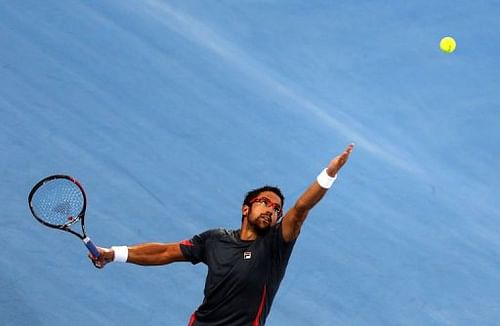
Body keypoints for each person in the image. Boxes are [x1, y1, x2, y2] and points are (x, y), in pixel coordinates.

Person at [89, 144, 354, 325]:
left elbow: (300, 209)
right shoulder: (215, 240)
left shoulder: (276, 246)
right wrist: (114, 254)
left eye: (277, 209)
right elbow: (166, 251)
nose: (272, 210)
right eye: (265, 202)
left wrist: (329, 173)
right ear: (245, 208)